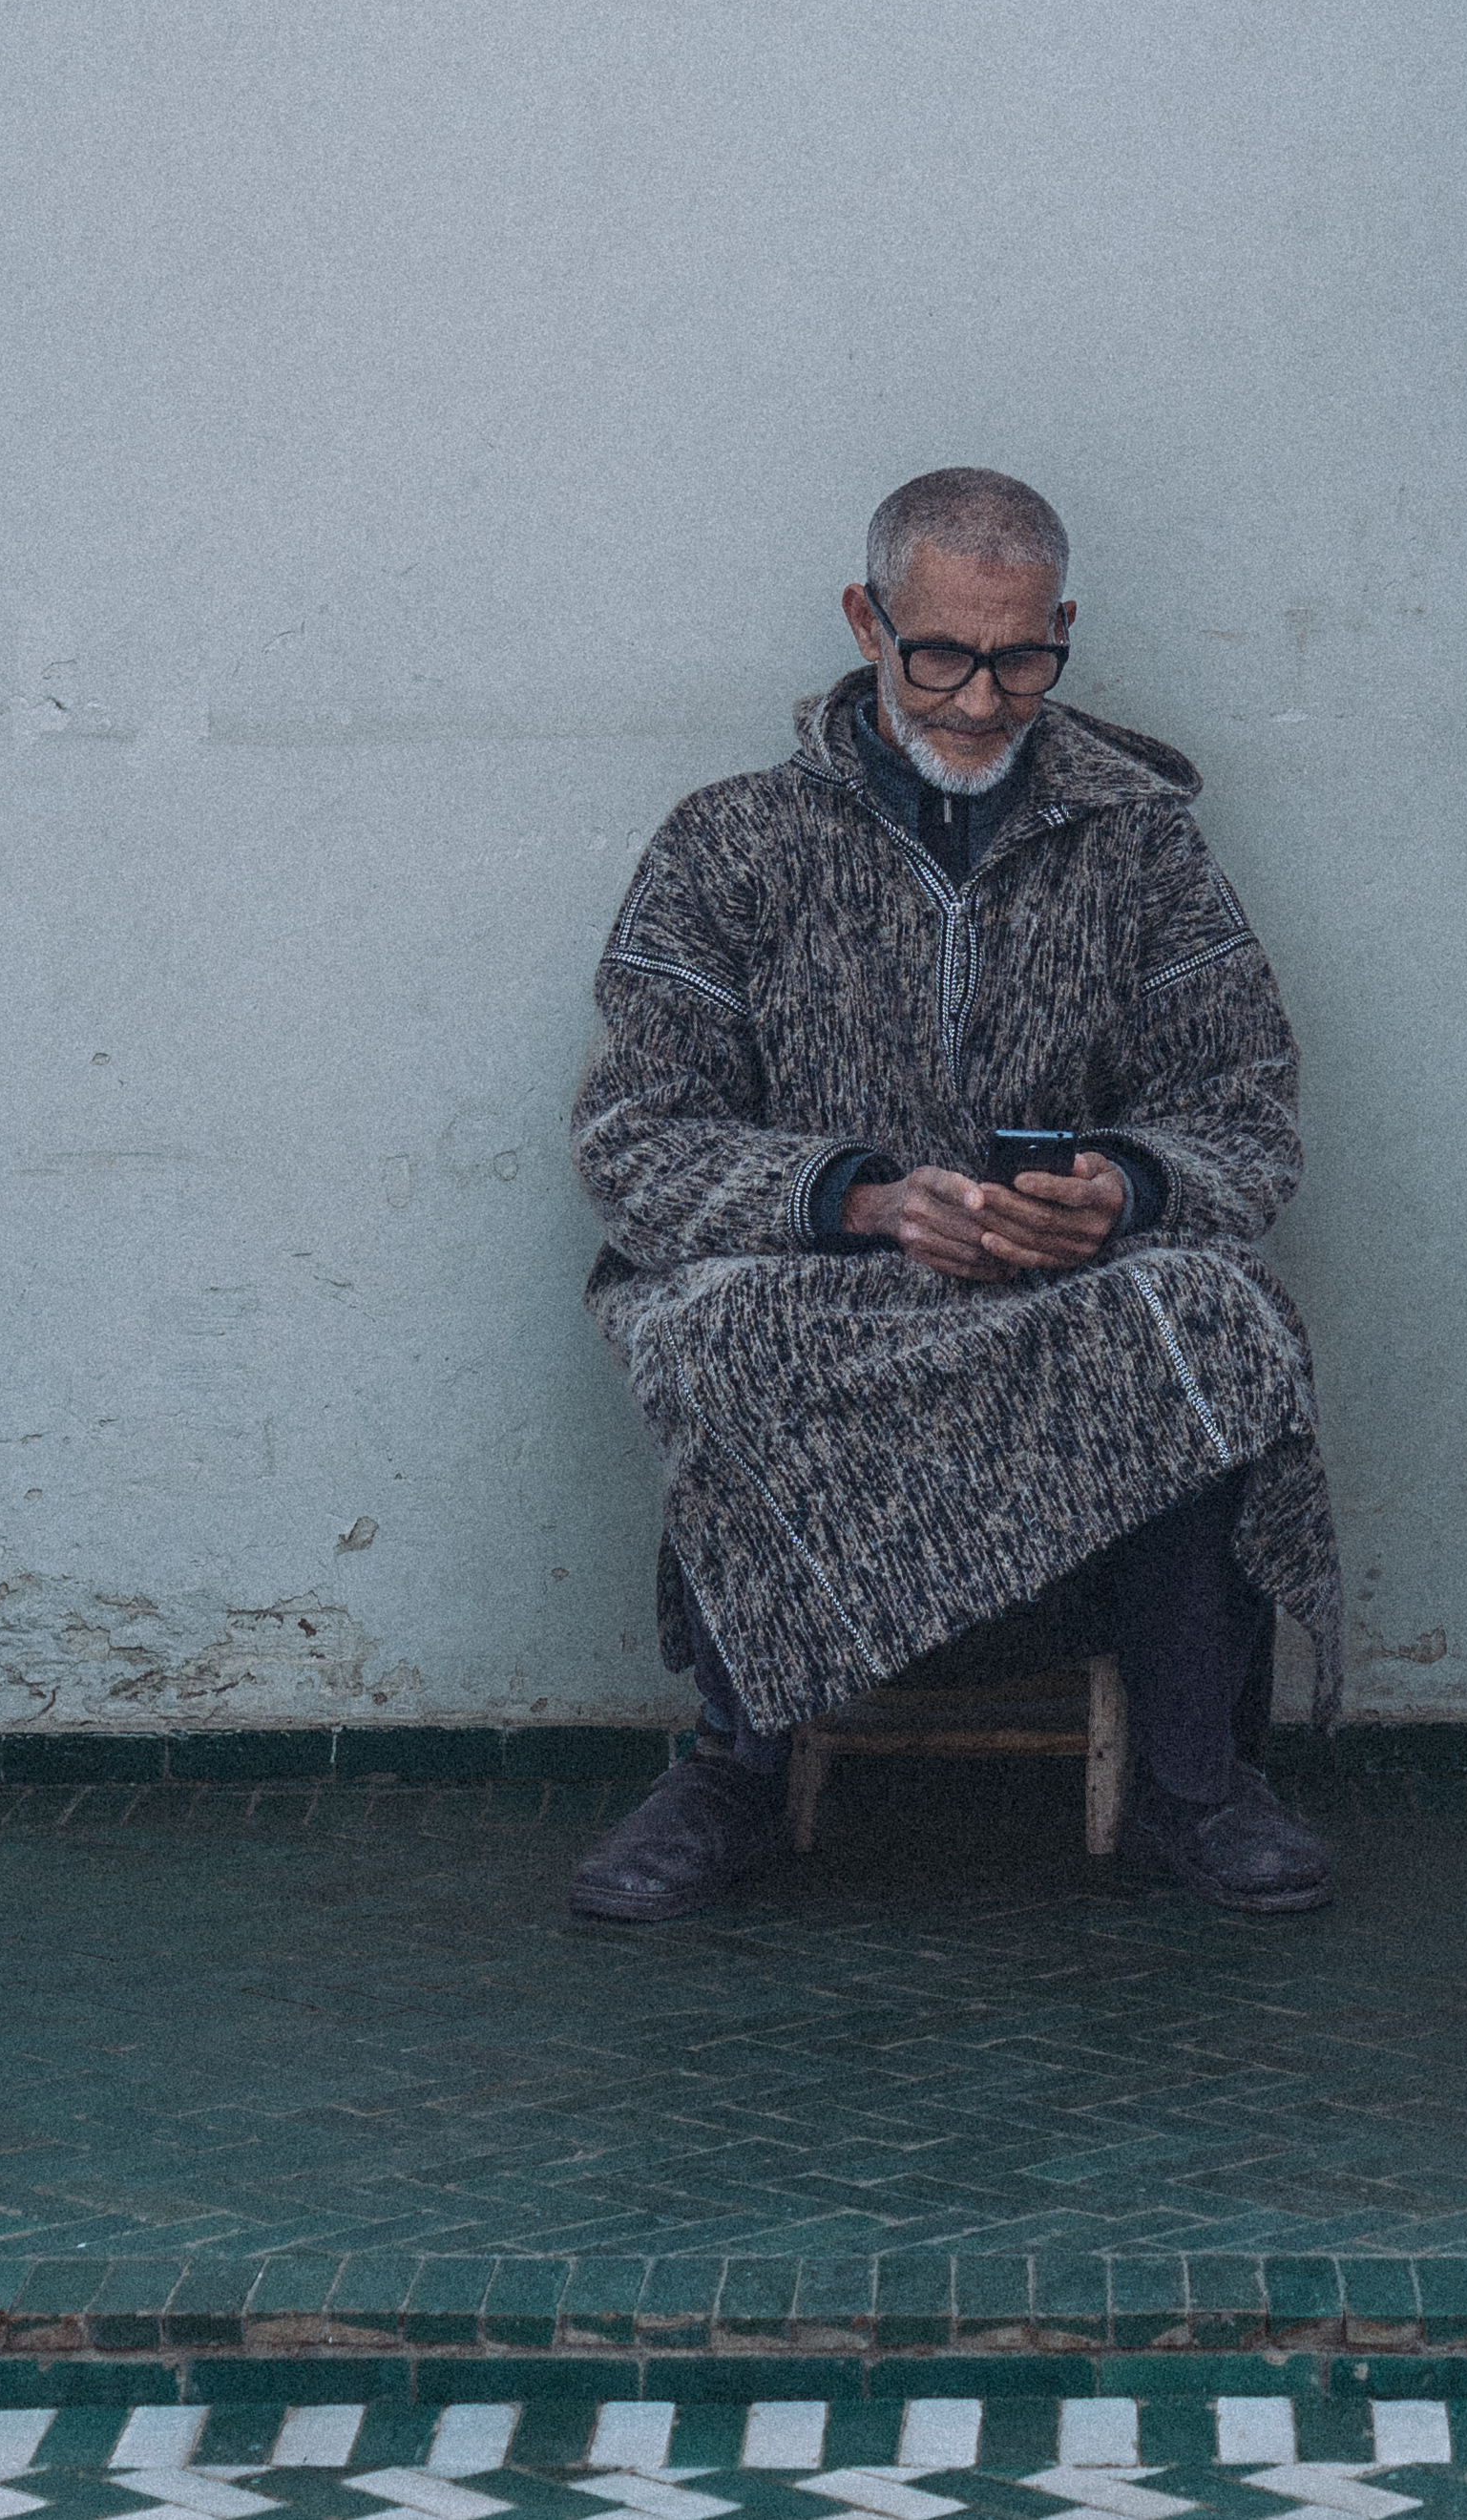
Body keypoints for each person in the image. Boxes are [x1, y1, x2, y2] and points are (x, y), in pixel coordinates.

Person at [561, 466, 1340, 1922]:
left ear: (1061, 632)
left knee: (1216, 1315)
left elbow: (1245, 1108)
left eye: (1024, 656)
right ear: (867, 624)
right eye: (943, 656)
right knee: (716, 1331)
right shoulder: (727, 844)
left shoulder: (1145, 845)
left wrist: (1124, 1188)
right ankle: (734, 1768)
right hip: (821, 1286)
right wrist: (859, 1201)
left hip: (1065, 1288)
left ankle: (1192, 1787)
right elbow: (632, 1141)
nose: (984, 701)